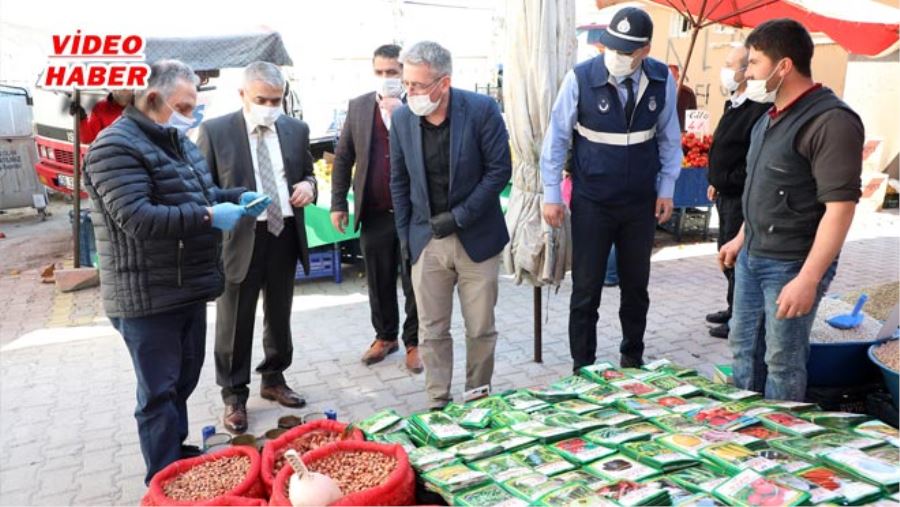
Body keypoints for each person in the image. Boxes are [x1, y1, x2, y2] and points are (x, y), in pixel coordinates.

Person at [83, 59, 269, 483]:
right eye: (185, 106)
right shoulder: (114, 148)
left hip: (186, 286)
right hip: (146, 296)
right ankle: (163, 479)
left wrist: (236, 198)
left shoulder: (177, 141)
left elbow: (200, 194)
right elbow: (139, 218)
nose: (193, 114)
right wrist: (207, 216)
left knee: (180, 382)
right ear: (152, 98)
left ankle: (177, 454)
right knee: (158, 393)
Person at [718, 19, 863, 401]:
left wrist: (809, 278)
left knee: (783, 360)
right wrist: (740, 237)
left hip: (792, 264)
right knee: (743, 350)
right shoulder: (766, 119)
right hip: (753, 257)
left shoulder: (831, 121)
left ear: (783, 66)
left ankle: (779, 443)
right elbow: (763, 191)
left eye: (754, 63)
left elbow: (840, 208)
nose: (746, 73)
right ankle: (742, 431)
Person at [541, 7, 682, 371]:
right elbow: (555, 139)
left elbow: (669, 139)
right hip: (593, 203)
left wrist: (666, 188)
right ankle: (582, 366)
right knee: (586, 290)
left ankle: (632, 357)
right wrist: (552, 195)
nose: (616, 57)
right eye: (612, 47)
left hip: (640, 205)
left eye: (626, 51)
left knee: (636, 288)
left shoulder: (661, 80)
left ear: (645, 51)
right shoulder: (580, 78)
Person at [197, 61, 317, 434]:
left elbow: (308, 171)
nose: (269, 105)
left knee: (279, 313)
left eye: (276, 99)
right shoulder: (216, 132)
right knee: (235, 319)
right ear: (243, 95)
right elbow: (203, 187)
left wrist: (310, 186)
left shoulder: (296, 130)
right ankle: (234, 395)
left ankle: (274, 377)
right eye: (261, 98)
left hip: (283, 234)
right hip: (240, 240)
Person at [390, 41, 511, 409]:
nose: (410, 92)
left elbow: (498, 172)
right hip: (427, 241)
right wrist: (407, 240)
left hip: (476, 238)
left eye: (418, 85)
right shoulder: (401, 117)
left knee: (479, 328)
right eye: (406, 83)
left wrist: (459, 216)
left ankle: (477, 399)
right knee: (432, 330)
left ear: (444, 83)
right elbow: (399, 180)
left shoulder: (481, 110)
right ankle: (437, 403)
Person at [331, 44, 422, 373]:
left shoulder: (419, 104)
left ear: (404, 73)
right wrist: (338, 203)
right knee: (379, 278)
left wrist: (402, 113)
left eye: (393, 72)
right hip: (374, 211)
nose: (386, 78)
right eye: (380, 72)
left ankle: (415, 341)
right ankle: (385, 337)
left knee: (415, 280)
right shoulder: (358, 107)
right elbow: (343, 157)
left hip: (413, 213)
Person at [705, 45, 770, 339]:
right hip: (724, 191)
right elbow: (724, 146)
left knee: (733, 255)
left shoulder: (758, 108)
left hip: (740, 194)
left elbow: (753, 157)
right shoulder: (734, 102)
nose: (727, 71)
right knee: (725, 251)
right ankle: (733, 308)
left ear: (747, 70)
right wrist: (715, 180)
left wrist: (728, 179)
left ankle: (740, 318)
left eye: (732, 65)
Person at [668, 64, 697, 132]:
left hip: (681, 134)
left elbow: (693, 115)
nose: (669, 79)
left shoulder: (688, 93)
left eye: (672, 76)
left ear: (678, 77)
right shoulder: (659, 92)